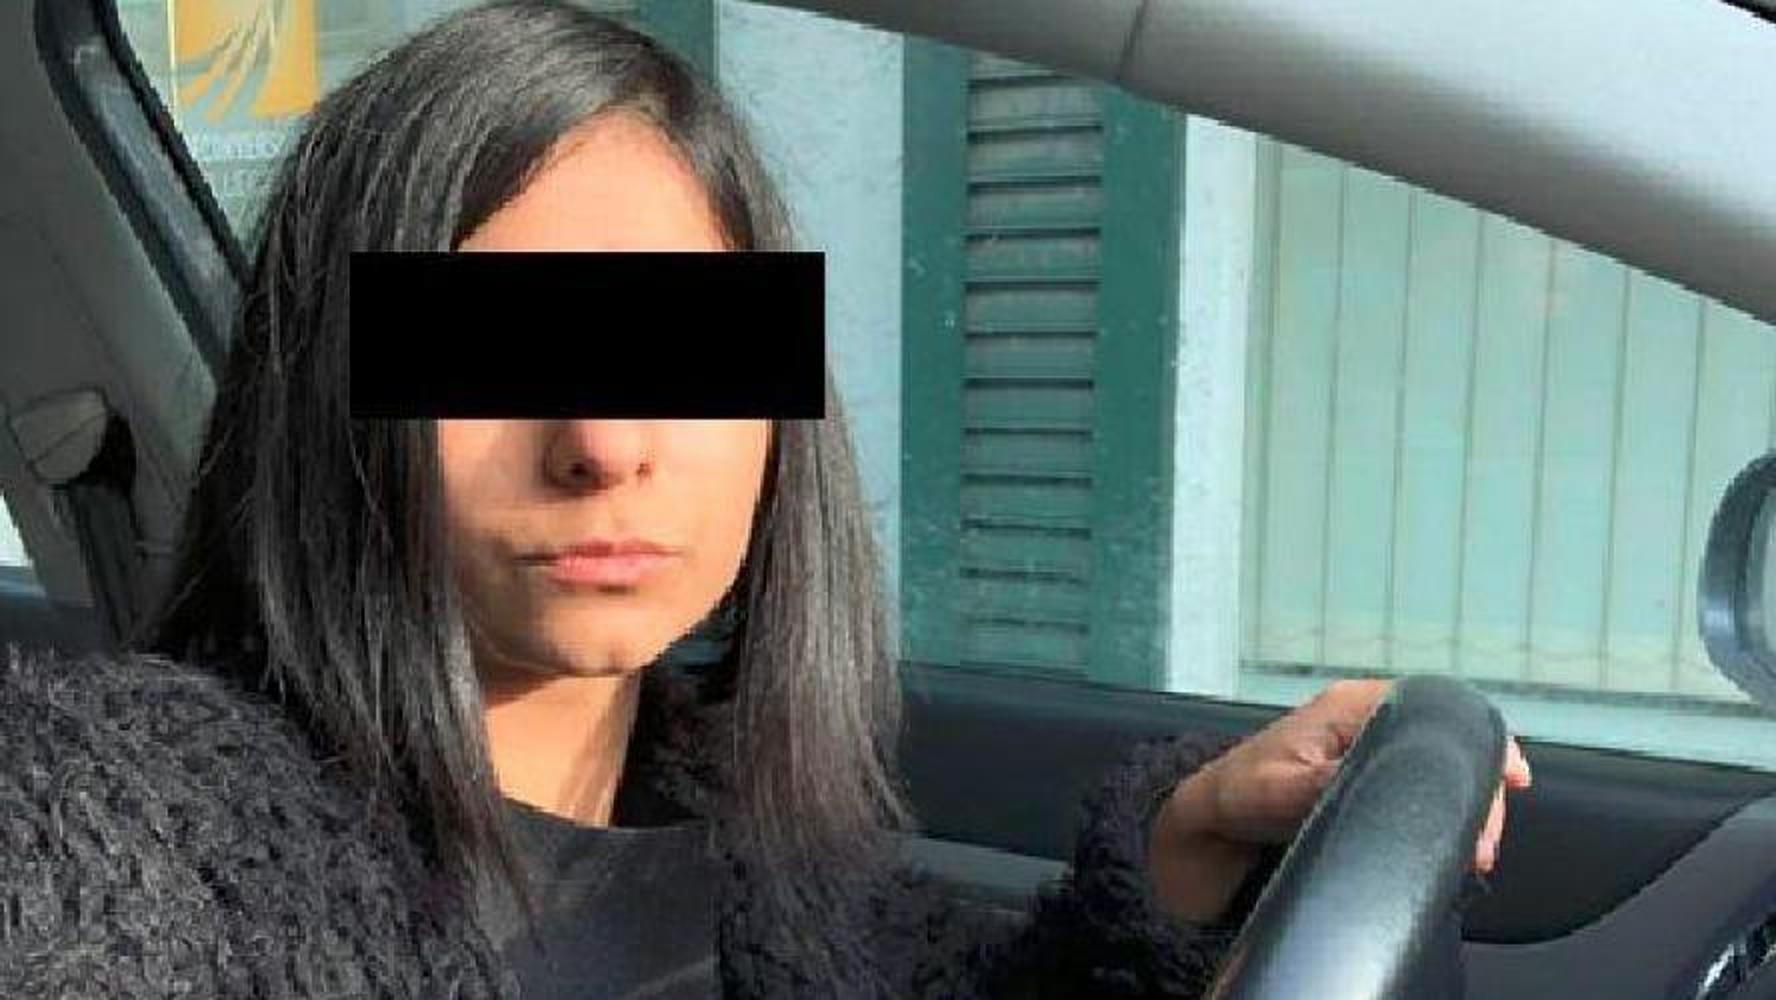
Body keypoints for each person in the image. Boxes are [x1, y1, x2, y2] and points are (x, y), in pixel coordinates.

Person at [0, 2, 1529, 997]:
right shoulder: (128, 820)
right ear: (330, 396)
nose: (604, 442)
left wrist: (1191, 839)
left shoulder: (754, 836)